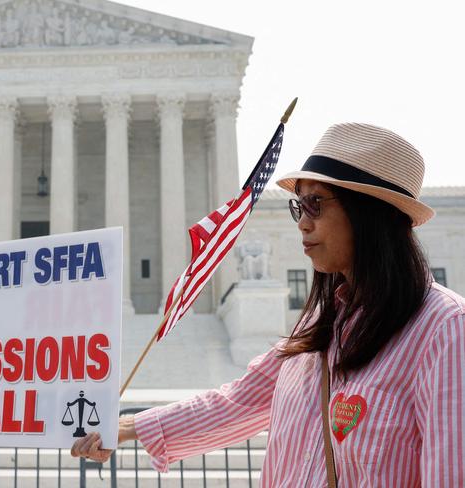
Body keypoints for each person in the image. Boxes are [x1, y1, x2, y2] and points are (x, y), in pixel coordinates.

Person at [71, 123, 465, 486]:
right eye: (298, 207)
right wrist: (125, 427)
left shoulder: (444, 331)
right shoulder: (320, 324)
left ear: (369, 214)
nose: (302, 223)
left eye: (316, 204)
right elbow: (238, 402)